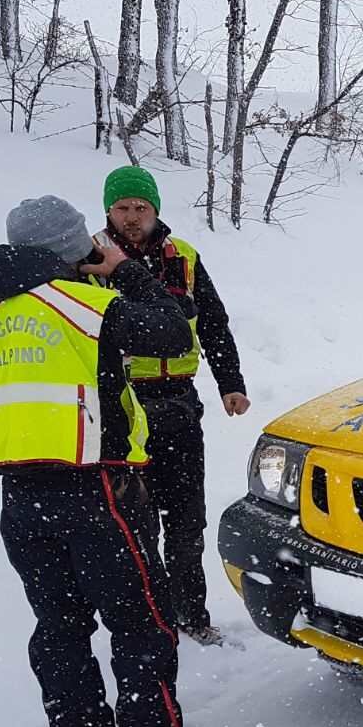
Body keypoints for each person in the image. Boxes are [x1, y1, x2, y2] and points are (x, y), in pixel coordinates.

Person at [0, 195, 209, 727]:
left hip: (20, 499)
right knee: (138, 619)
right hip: (99, 491)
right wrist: (124, 270)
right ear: (76, 247)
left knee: (58, 623)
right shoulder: (89, 305)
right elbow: (176, 333)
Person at [96, 165, 250, 646]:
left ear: (156, 209)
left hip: (180, 404)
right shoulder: (88, 257)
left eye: (141, 206)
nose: (133, 216)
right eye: (123, 207)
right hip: (122, 407)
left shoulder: (183, 256)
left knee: (187, 522)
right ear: (109, 211)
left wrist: (231, 382)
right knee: (136, 524)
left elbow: (215, 325)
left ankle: (191, 615)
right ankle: (153, 620)